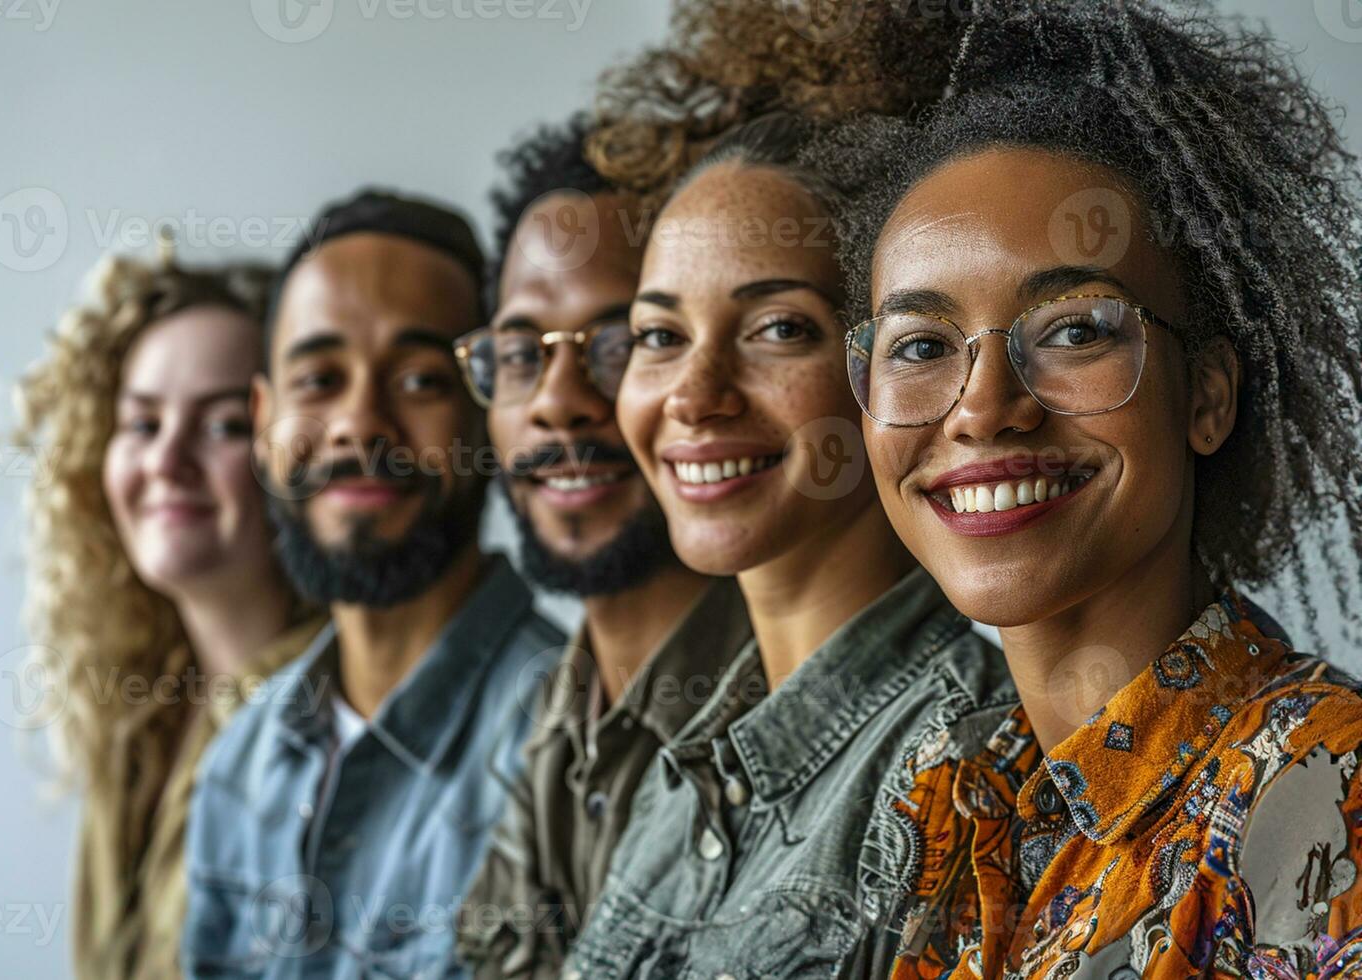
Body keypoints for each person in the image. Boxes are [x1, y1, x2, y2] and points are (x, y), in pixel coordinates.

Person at [817, 0, 1362, 974]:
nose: (982, 407)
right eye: (920, 346)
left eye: (1073, 330)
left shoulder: (1330, 792)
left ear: (1206, 394)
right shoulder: (951, 803)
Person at [559, 112, 1014, 979]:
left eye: (778, 328)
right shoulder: (678, 778)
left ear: (896, 365)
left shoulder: (965, 773)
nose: (693, 395)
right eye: (660, 336)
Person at [181, 190, 564, 979]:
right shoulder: (237, 765)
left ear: (486, 412)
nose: (361, 422)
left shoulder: (566, 754)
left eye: (421, 381)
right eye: (319, 379)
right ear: (263, 420)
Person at [453, 115, 753, 978]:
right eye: (519, 352)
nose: (558, 401)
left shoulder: (786, 719)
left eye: (621, 342)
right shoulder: (555, 717)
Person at [14, 246, 320, 980]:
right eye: (143, 423)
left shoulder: (336, 722)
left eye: (222, 426)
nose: (167, 460)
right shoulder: (141, 720)